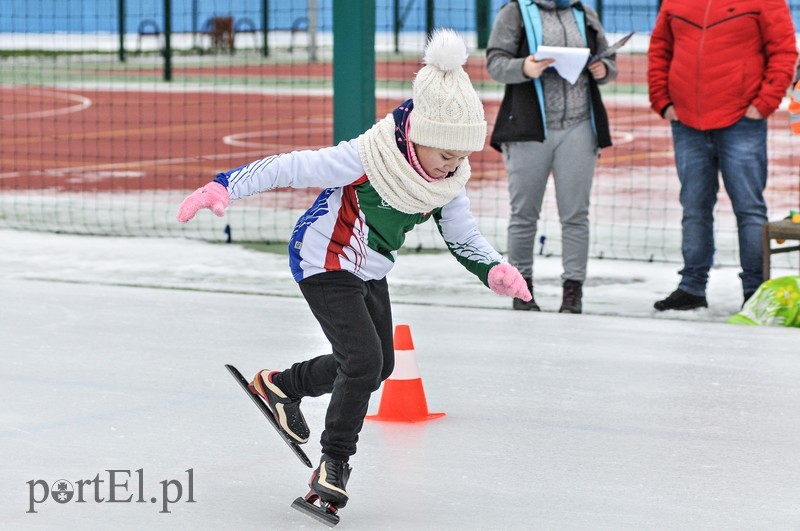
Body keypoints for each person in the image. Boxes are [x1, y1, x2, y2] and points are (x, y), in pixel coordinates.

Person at [176, 29, 530, 511]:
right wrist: (224, 187)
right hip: (323, 259)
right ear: (418, 137)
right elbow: (291, 167)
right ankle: (333, 464)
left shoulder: (448, 181)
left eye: (462, 157)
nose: (453, 166)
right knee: (362, 361)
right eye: (447, 154)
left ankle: (282, 386)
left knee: (378, 365)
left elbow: (462, 236)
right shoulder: (368, 158)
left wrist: (494, 270)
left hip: (369, 268)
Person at [648, 0, 797, 311]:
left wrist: (765, 102)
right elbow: (660, 48)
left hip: (742, 119)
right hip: (687, 121)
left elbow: (784, 51)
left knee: (749, 208)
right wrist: (662, 99)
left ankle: (755, 291)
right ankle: (691, 287)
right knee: (694, 208)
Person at [486, 0, 617, 314]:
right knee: (523, 215)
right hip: (529, 130)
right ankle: (522, 290)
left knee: (576, 215)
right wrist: (524, 67)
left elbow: (608, 61)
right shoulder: (515, 11)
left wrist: (604, 69)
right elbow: (495, 63)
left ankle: (573, 292)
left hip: (579, 127)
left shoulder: (583, 13)